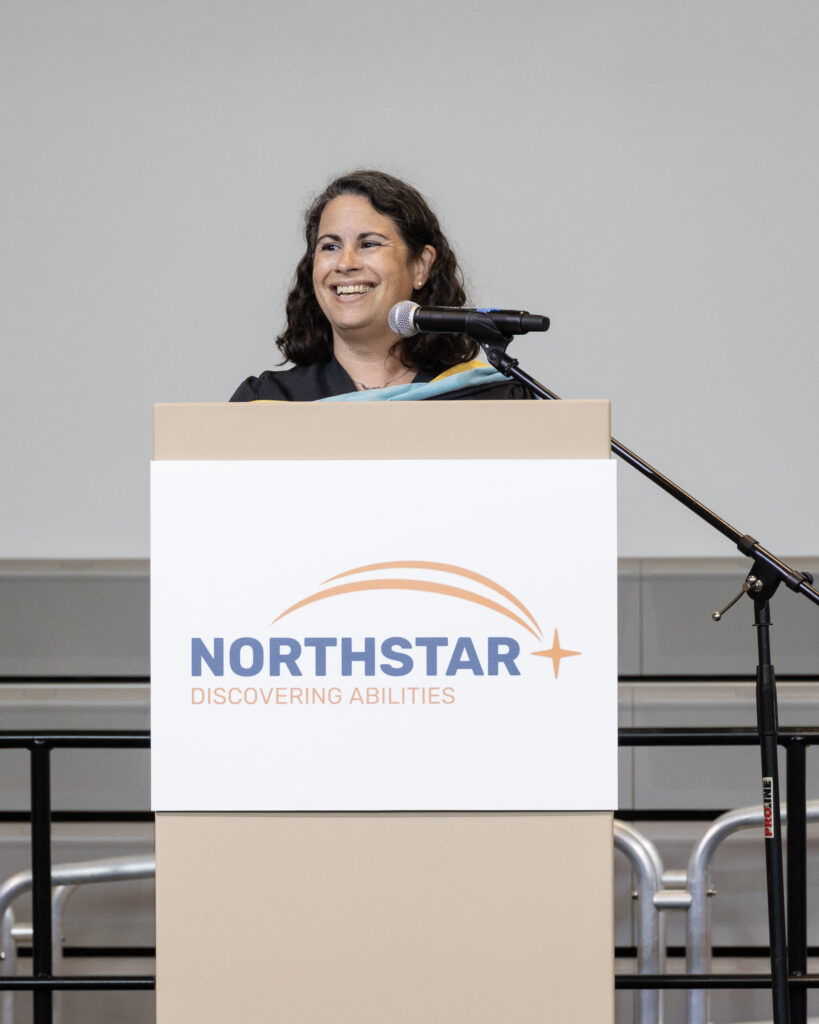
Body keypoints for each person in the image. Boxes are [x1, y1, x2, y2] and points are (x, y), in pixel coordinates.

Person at [230, 170, 532, 402]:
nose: (345, 263)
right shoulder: (270, 403)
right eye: (330, 246)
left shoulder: (487, 400)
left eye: (369, 244)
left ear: (420, 266)